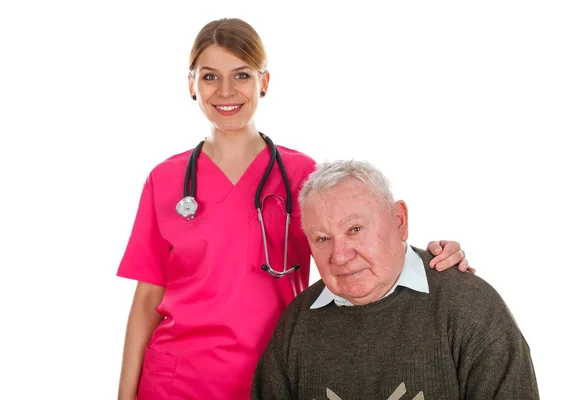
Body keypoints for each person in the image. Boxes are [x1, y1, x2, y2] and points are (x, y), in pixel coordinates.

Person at [116, 18, 472, 400]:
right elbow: (147, 300)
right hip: (177, 382)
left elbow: (353, 253)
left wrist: (432, 261)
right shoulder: (165, 180)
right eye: (209, 77)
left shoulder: (302, 175)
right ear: (191, 85)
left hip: (281, 371)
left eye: (241, 75)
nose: (225, 91)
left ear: (263, 82)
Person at [252, 160, 539, 400]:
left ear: (399, 220)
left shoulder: (469, 308)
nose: (339, 256)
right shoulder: (296, 325)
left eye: (355, 229)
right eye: (323, 238)